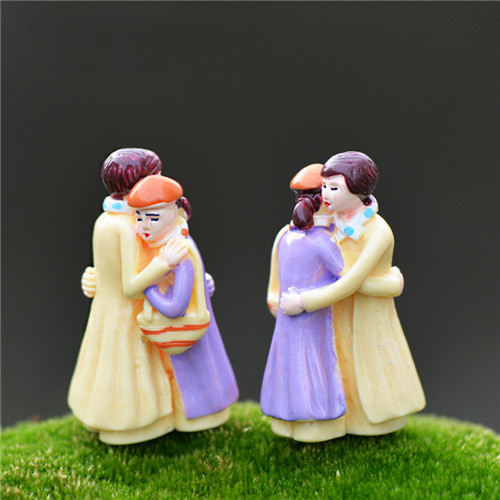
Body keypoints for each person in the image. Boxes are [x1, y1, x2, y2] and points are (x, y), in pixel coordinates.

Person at [281, 152, 425, 436]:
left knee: (367, 364)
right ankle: (337, 418)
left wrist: (305, 302)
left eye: (334, 188)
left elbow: (350, 281)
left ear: (358, 190)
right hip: (334, 309)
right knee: (337, 363)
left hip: (365, 313)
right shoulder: (331, 217)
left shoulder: (378, 231)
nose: (325, 194)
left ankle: (370, 422)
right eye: (324, 186)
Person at [68, 148, 189, 445]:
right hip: (127, 315)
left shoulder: (104, 220)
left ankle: (111, 418)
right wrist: (165, 263)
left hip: (105, 311)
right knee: (129, 369)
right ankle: (137, 426)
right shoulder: (129, 227)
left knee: (105, 364)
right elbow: (131, 286)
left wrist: (92, 278)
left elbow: (101, 270)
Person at [127, 175, 239, 432]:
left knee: (193, 375)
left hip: (181, 336)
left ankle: (197, 416)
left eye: (153, 218)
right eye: (139, 218)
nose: (144, 226)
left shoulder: (178, 251)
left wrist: (148, 287)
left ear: (174, 213)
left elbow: (176, 309)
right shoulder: (167, 243)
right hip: (184, 338)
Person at [261, 164, 347, 442]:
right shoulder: (323, 240)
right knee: (313, 362)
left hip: (288, 315)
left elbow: (274, 284)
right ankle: (317, 421)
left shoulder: (285, 235)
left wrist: (275, 300)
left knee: (288, 362)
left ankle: (285, 419)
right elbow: (348, 276)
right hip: (315, 316)